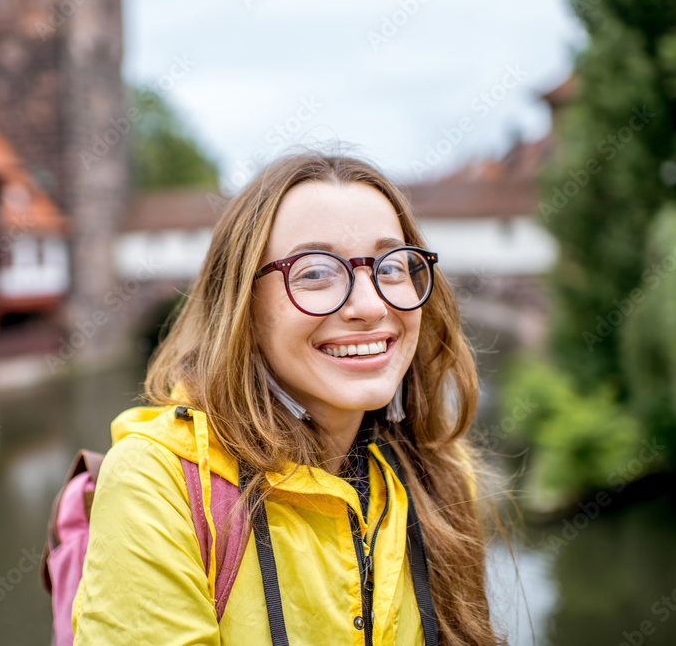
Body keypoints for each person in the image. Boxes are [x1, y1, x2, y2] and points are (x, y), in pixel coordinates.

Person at [70, 152, 505, 645]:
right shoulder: (158, 481)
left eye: (391, 266)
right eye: (316, 272)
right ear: (242, 306)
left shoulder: (440, 475)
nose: (371, 305)